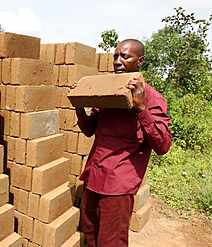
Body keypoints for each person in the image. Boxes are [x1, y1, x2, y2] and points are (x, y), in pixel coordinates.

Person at [73, 39, 172, 247]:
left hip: (117, 187)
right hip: (93, 179)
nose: (118, 61)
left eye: (125, 56)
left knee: (111, 242)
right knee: (90, 236)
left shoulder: (153, 99)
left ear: (140, 61)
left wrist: (141, 109)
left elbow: (162, 146)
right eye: (115, 56)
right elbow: (90, 130)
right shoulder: (109, 92)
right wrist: (79, 107)